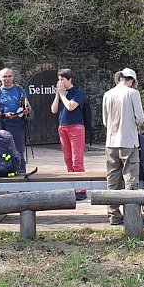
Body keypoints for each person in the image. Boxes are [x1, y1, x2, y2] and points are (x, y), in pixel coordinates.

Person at [102, 68, 144, 226]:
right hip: (128, 141)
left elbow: (105, 121)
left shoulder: (108, 94)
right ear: (132, 81)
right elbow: (140, 118)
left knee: (112, 180)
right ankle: (131, 217)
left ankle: (113, 216)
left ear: (119, 78)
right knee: (131, 179)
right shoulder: (133, 93)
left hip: (110, 143)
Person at [51, 68, 87, 201]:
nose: (60, 82)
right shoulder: (61, 93)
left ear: (70, 79)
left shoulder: (77, 92)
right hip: (63, 127)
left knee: (77, 160)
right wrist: (57, 95)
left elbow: (71, 106)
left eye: (62, 79)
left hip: (76, 127)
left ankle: (81, 189)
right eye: (58, 79)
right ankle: (73, 186)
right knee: (68, 159)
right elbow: (54, 110)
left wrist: (62, 95)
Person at [0, 68, 32, 173]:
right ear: (0, 78)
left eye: (9, 76)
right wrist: (4, 115)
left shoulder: (19, 90)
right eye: (4, 76)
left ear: (13, 77)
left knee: (19, 151)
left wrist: (26, 110)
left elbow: (29, 108)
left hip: (18, 126)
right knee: (4, 152)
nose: (7, 79)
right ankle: (4, 172)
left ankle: (21, 174)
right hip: (3, 127)